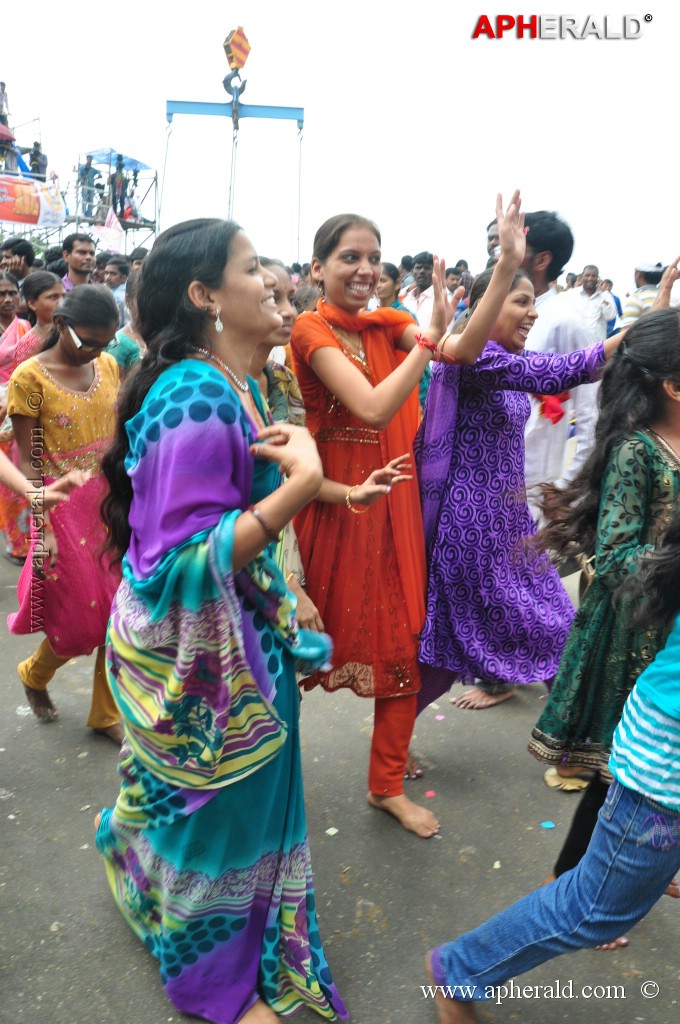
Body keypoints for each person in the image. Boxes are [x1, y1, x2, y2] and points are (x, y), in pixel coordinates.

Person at [95, 218, 348, 1024]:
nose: (273, 286)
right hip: (201, 658)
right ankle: (209, 971)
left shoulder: (236, 380)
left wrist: (288, 592)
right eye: (251, 272)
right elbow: (183, 559)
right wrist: (299, 489)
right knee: (211, 812)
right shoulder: (198, 394)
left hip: (236, 636)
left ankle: (135, 857)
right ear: (205, 296)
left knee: (201, 805)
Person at [289, 194, 523, 836]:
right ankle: (253, 779)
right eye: (348, 257)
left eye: (373, 258)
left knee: (401, 643)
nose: (364, 268)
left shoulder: (388, 322)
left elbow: (460, 350)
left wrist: (503, 269)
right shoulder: (311, 330)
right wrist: (426, 341)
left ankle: (385, 785)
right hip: (334, 509)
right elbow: (369, 407)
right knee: (288, 651)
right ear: (316, 269)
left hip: (394, 509)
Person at [424, 506, 680, 1024]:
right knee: (593, 909)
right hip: (664, 764)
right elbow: (614, 559)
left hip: (659, 748)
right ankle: (459, 971)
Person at [415, 245, 624, 713]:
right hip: (472, 534)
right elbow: (555, 373)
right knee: (543, 631)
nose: (532, 313)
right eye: (521, 302)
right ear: (489, 304)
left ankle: (569, 742)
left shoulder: (494, 359)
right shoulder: (474, 359)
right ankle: (572, 745)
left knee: (543, 630)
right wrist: (620, 342)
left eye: (533, 302)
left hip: (507, 529)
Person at [528, 304, 680, 870]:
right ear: (673, 386)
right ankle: (572, 878)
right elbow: (615, 556)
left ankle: (651, 866)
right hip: (632, 637)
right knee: (619, 769)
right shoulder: (635, 451)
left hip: (672, 634)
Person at [6, 285, 123, 743]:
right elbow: (30, 460)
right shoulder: (30, 381)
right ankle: (35, 672)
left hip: (111, 504)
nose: (96, 351)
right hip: (61, 509)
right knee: (78, 620)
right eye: (88, 341)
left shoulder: (110, 367)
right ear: (60, 326)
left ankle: (105, 712)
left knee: (119, 611)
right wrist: (44, 525)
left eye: (105, 342)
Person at [0, 272, 32, 560]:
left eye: (12, 293)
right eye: (2, 294)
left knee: (22, 472)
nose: (8, 299)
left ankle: (24, 541)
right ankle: (12, 540)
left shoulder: (24, 327)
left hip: (21, 407)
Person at [13, 271, 65, 367]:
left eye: (64, 296)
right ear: (32, 304)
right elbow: (24, 379)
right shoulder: (28, 343)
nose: (61, 302)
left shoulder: (72, 331)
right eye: (53, 297)